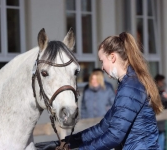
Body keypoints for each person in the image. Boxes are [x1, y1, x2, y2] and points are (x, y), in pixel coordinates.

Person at [35, 32, 163, 150]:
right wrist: (67, 142)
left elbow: (114, 136)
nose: (102, 67)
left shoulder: (131, 87)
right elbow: (102, 128)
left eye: (102, 61)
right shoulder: (128, 84)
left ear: (112, 57)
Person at [155, 74, 167, 150]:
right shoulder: (155, 90)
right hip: (157, 116)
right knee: (159, 136)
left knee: (161, 135)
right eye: (161, 81)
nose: (162, 83)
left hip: (161, 118)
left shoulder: (163, 89)